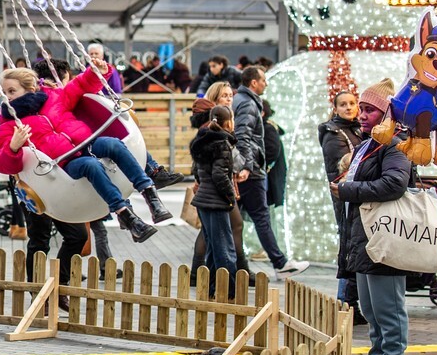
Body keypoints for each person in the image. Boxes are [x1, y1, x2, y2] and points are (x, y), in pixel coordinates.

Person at [0, 64, 166, 243]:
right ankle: (126, 215)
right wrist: (13, 147)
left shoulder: (54, 97)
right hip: (64, 164)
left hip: (85, 143)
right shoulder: (9, 125)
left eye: (11, 91)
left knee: (113, 144)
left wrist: (97, 71)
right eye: (4, 92)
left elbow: (80, 86)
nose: (7, 97)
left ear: (29, 89)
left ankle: (150, 195)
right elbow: (2, 165)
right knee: (91, 165)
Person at [332, 78, 413, 355]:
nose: (362, 115)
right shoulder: (369, 144)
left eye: (370, 110)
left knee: (387, 306)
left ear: (386, 114)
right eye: (362, 109)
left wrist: (348, 190)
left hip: (385, 236)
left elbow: (395, 184)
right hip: (366, 236)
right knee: (370, 307)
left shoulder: (394, 144)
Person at [234, 65, 309, 274]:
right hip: (252, 172)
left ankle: (220, 265)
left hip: (248, 169)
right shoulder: (248, 103)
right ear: (254, 82)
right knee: (261, 217)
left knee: (233, 219)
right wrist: (248, 166)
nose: (266, 84)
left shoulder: (242, 100)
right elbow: (244, 136)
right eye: (263, 80)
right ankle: (280, 262)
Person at [86, 43, 188, 187]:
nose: (94, 56)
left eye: (96, 54)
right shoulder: (85, 73)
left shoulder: (109, 71)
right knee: (126, 143)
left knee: (131, 141)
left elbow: (116, 92)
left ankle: (153, 171)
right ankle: (152, 172)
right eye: (92, 54)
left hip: (105, 113)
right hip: (95, 118)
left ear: (102, 55)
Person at [318, 87, 368, 321]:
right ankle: (345, 302)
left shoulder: (357, 129)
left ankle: (349, 302)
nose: (348, 107)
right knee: (350, 247)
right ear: (335, 108)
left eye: (352, 103)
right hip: (346, 197)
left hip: (355, 194)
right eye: (343, 104)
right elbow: (341, 167)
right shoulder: (333, 133)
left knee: (355, 246)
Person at [189, 104, 241, 291]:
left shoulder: (202, 140)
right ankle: (228, 289)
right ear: (228, 122)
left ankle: (211, 288)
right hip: (216, 202)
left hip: (203, 200)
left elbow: (196, 170)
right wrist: (230, 196)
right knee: (224, 248)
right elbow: (220, 175)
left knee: (212, 246)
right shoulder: (222, 144)